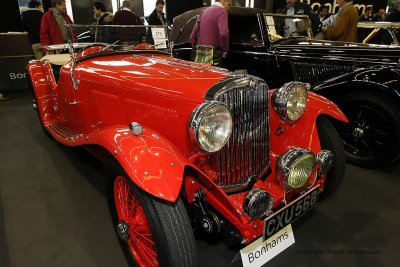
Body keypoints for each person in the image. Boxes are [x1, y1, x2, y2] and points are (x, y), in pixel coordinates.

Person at [189, 0, 231, 66]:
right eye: (229, 5)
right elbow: (223, 34)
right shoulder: (222, 12)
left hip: (200, 55)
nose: (229, 8)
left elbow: (192, 37)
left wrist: (199, 48)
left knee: (201, 75)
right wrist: (224, 49)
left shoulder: (204, 12)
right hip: (214, 55)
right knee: (216, 76)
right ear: (223, 1)